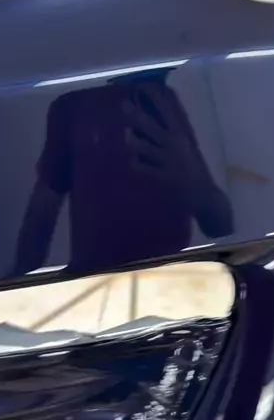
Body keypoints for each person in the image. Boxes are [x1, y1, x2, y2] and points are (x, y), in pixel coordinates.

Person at [13, 67, 233, 276]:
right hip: (101, 275)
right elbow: (42, 212)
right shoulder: (71, 107)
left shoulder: (162, 101)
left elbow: (219, 224)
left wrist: (194, 184)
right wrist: (19, 278)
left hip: (172, 273)